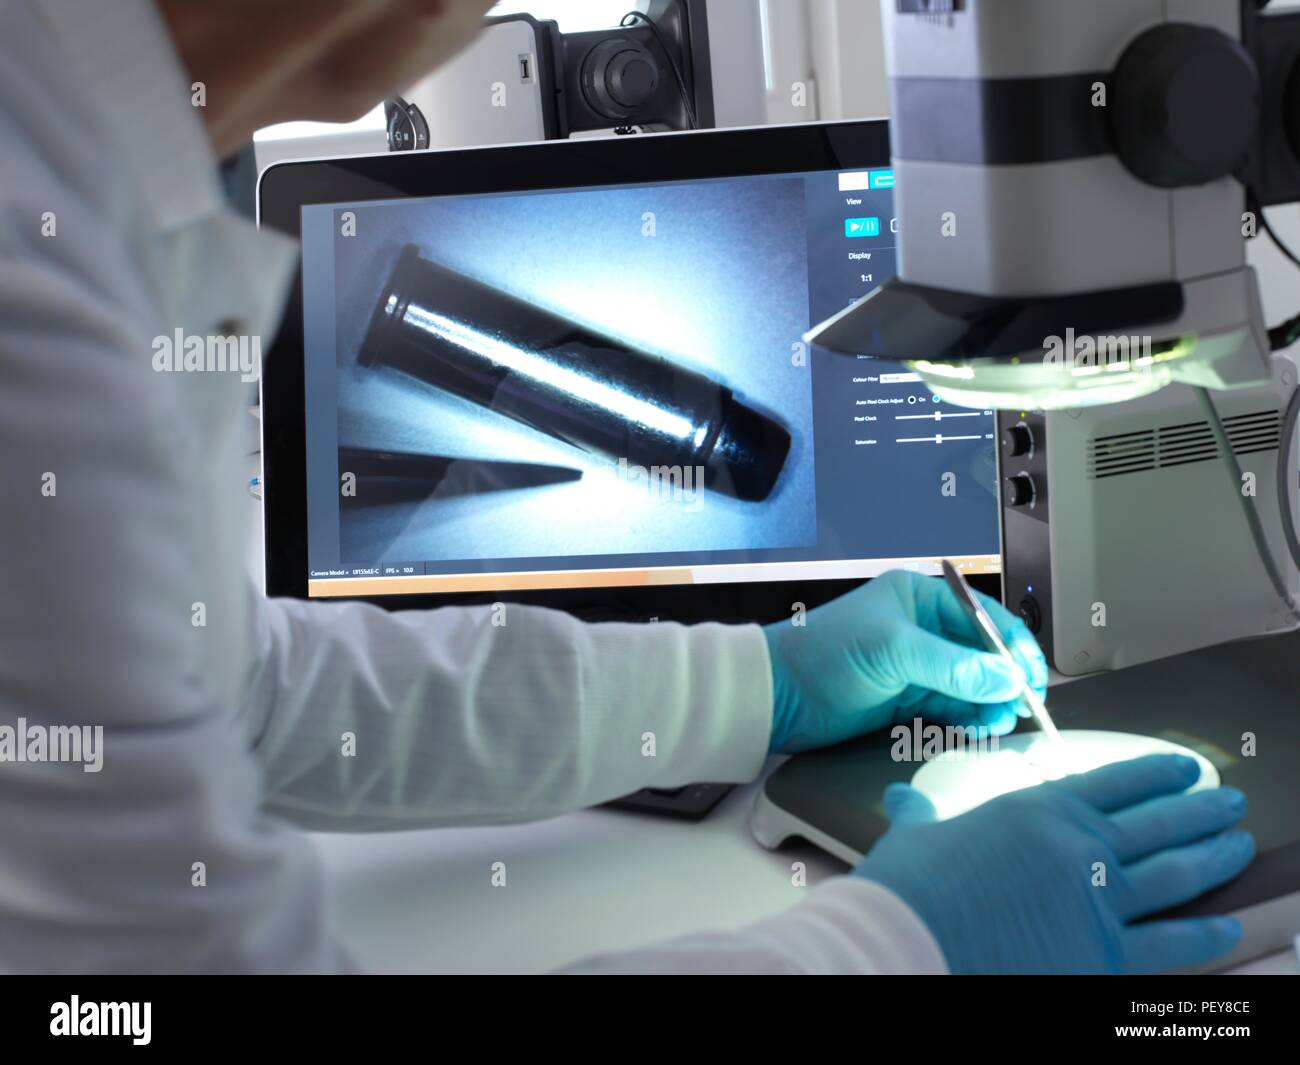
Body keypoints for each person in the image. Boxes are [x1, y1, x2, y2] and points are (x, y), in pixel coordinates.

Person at [0, 0, 1254, 975]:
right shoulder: (30, 271)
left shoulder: (80, 157)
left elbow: (230, 687)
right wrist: (907, 947)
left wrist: (759, 683)